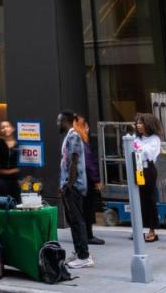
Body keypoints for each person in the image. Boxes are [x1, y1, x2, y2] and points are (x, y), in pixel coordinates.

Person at [57, 111, 91, 269]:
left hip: (74, 187)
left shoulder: (74, 136)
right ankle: (79, 252)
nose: (57, 124)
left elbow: (74, 161)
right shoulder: (69, 136)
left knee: (77, 221)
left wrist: (69, 185)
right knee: (73, 221)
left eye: (59, 121)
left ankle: (84, 256)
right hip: (69, 186)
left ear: (66, 121)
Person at [132, 113, 162, 243]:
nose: (139, 126)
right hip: (136, 168)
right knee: (136, 198)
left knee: (149, 199)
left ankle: (152, 229)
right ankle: (138, 229)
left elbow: (147, 153)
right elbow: (130, 150)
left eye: (141, 123)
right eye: (137, 123)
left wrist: (139, 149)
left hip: (147, 169)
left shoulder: (154, 139)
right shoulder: (135, 138)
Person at [76, 115, 105, 246]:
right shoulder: (82, 143)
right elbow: (89, 164)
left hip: (78, 181)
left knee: (82, 209)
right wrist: (97, 180)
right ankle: (88, 235)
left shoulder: (75, 141)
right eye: (85, 126)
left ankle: (85, 235)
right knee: (87, 208)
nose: (87, 129)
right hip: (86, 181)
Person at [0, 120, 21, 198]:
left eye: (7, 126)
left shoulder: (17, 144)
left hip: (15, 181)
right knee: (3, 205)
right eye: (3, 127)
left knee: (16, 204)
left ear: (12, 129)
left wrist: (19, 177)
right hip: (2, 181)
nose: (5, 129)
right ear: (0, 131)